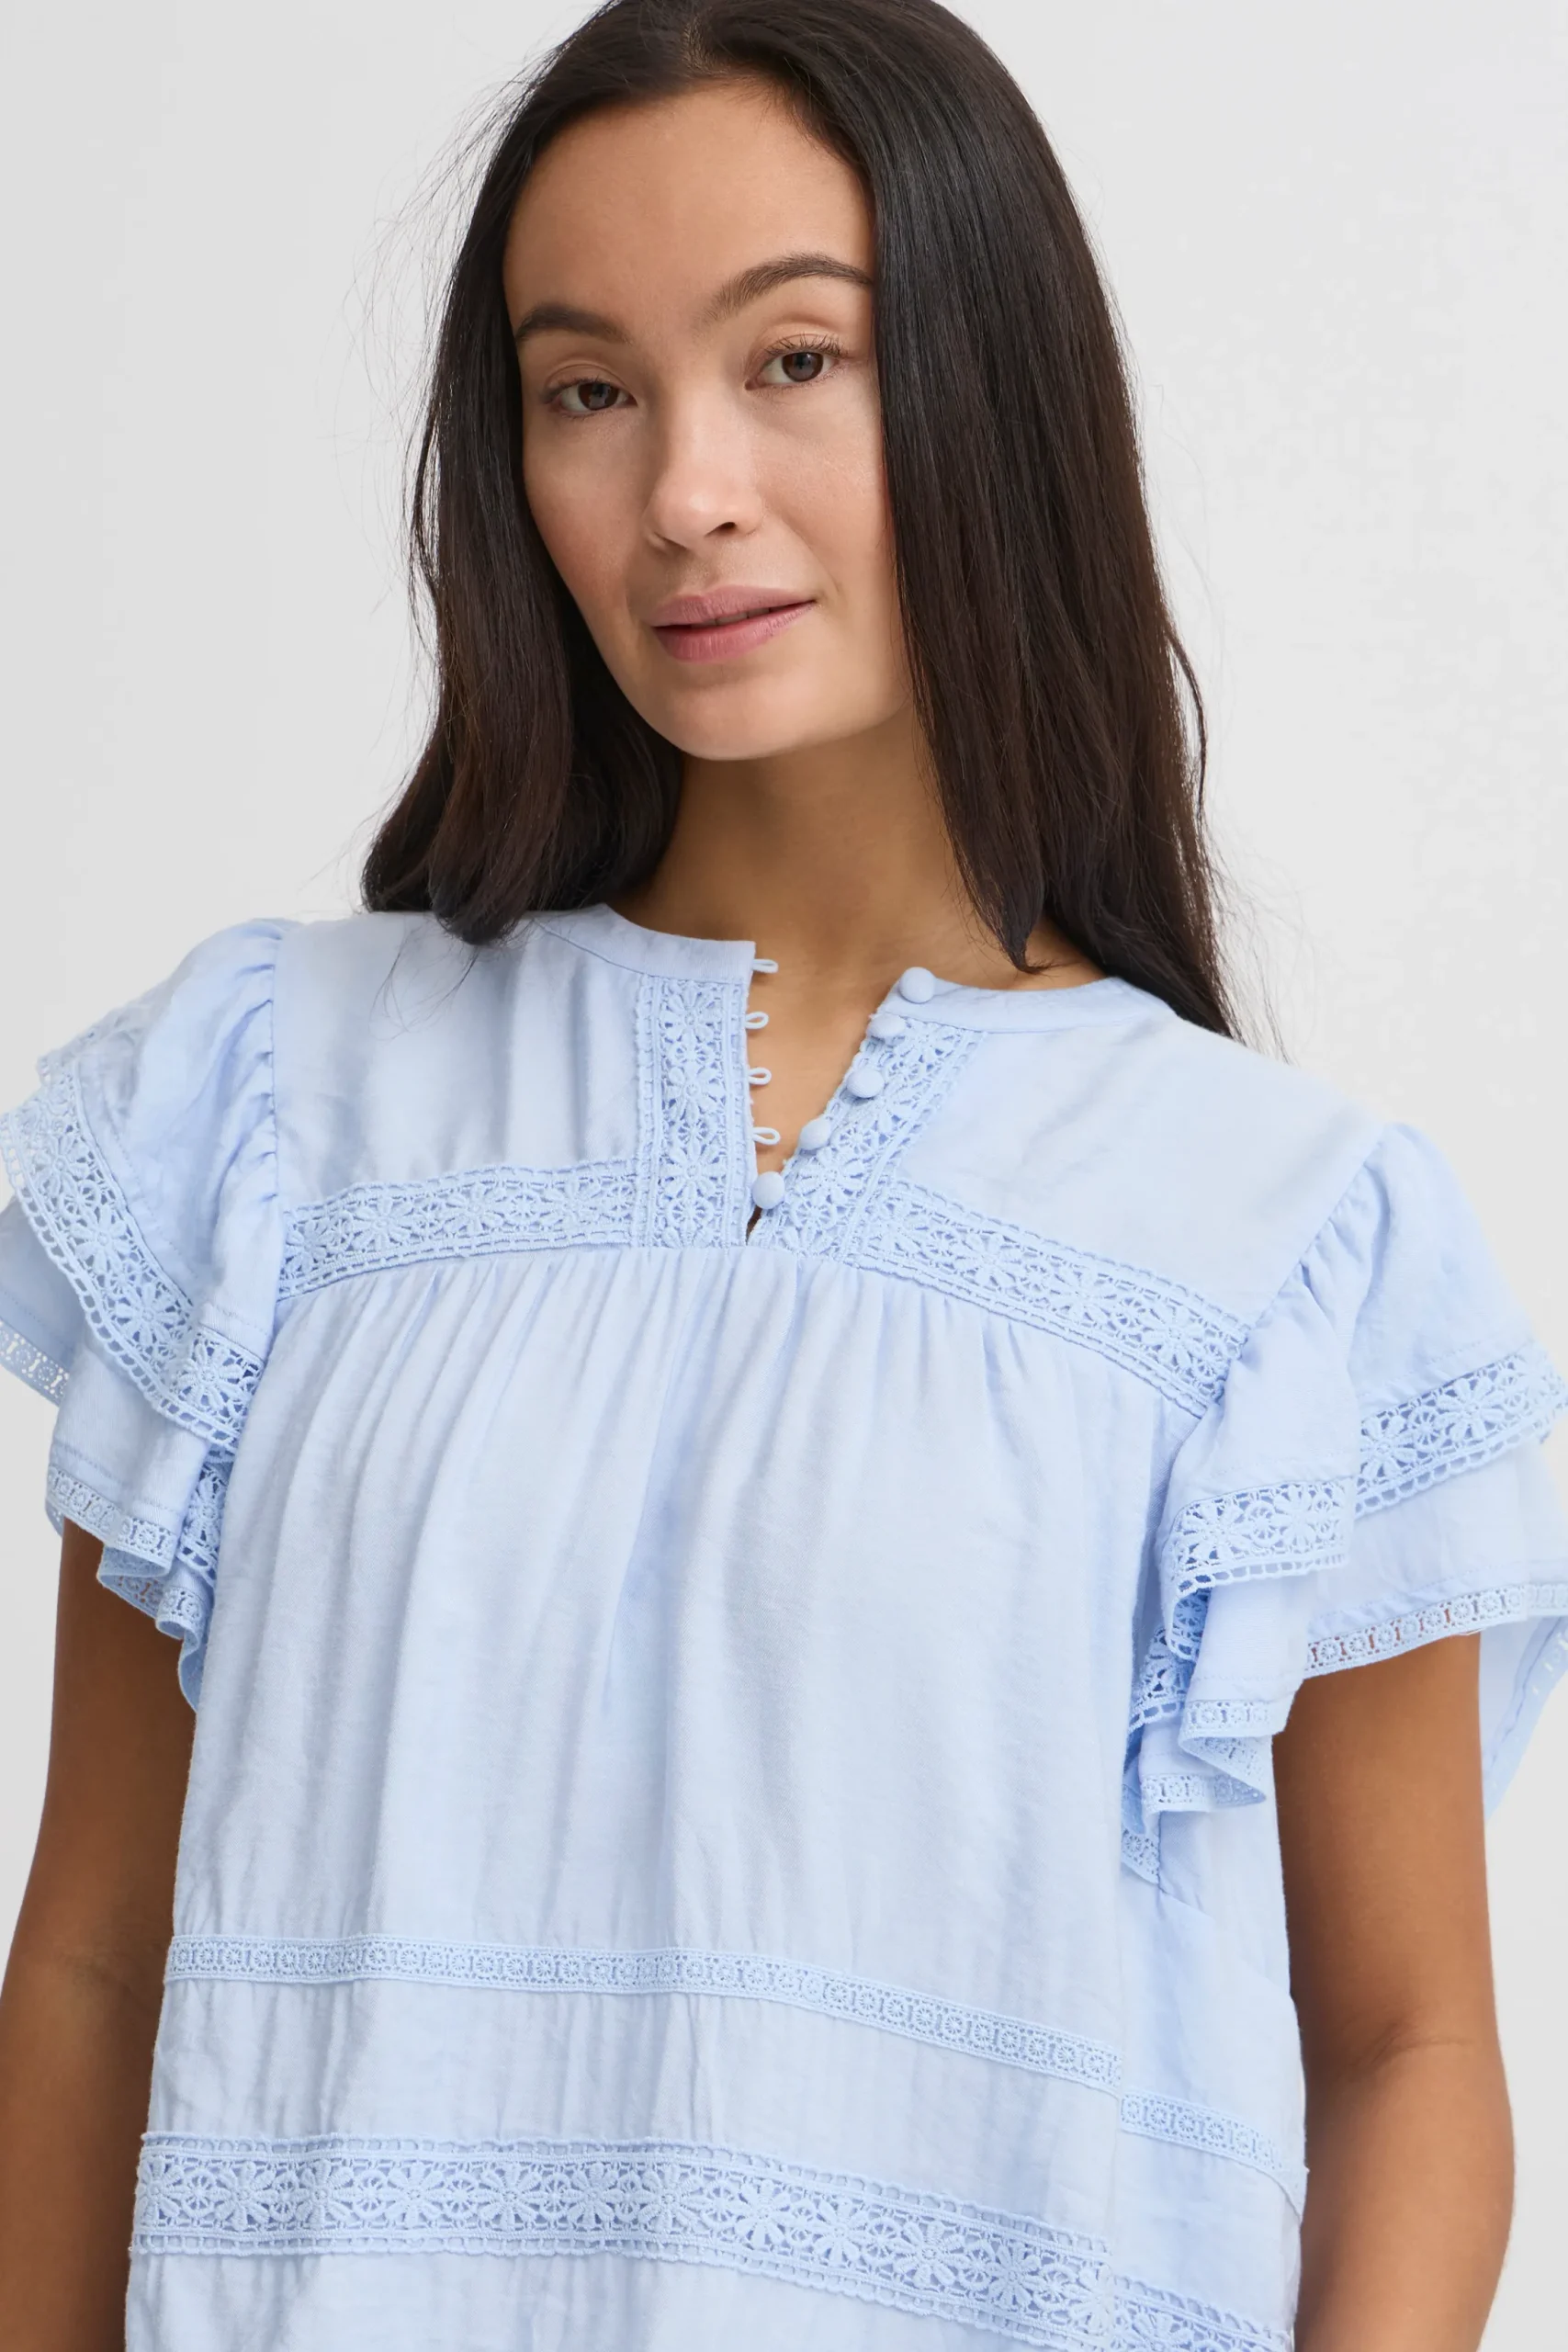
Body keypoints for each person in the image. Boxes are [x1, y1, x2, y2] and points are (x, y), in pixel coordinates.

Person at [0, 2, 1562, 2346]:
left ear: (992, 386)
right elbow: (98, 1958)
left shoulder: (1287, 1241)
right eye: (586, 390)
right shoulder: (267, 1113)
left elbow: (1408, 2045)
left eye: (795, 360)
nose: (684, 491)